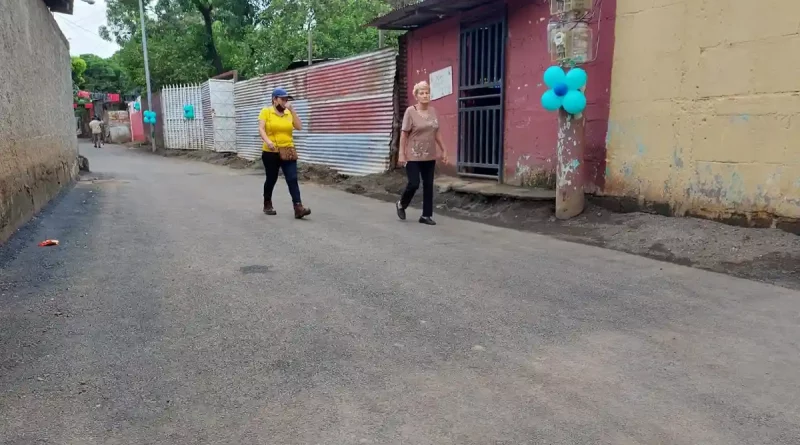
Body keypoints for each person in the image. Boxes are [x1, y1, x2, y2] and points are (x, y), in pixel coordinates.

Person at [396, 81, 447, 225]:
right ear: (416, 96)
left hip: (429, 155)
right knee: (414, 183)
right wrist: (401, 154)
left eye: (427, 92)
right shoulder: (410, 111)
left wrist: (444, 150)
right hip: (413, 155)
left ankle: (426, 216)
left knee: (428, 185)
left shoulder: (433, 111)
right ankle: (401, 204)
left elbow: (436, 133)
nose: (425, 95)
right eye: (422, 93)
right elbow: (404, 134)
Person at [258, 88, 311, 219]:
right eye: (282, 99)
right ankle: (267, 203)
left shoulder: (288, 113)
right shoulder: (266, 112)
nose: (285, 102)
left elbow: (299, 127)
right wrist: (268, 141)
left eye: (287, 99)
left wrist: (292, 110)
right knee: (271, 179)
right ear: (274, 99)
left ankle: (298, 207)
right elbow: (261, 128)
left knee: (292, 178)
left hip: (288, 150)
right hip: (271, 151)